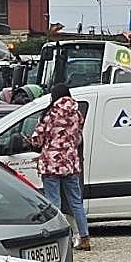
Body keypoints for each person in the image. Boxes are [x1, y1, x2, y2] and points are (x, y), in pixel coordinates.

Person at [29, 83, 90, 251]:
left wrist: (33, 141)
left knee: (54, 202)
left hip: (52, 163)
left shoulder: (51, 113)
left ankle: (59, 237)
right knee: (76, 202)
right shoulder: (77, 113)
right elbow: (78, 139)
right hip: (71, 163)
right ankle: (84, 237)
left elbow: (38, 139)